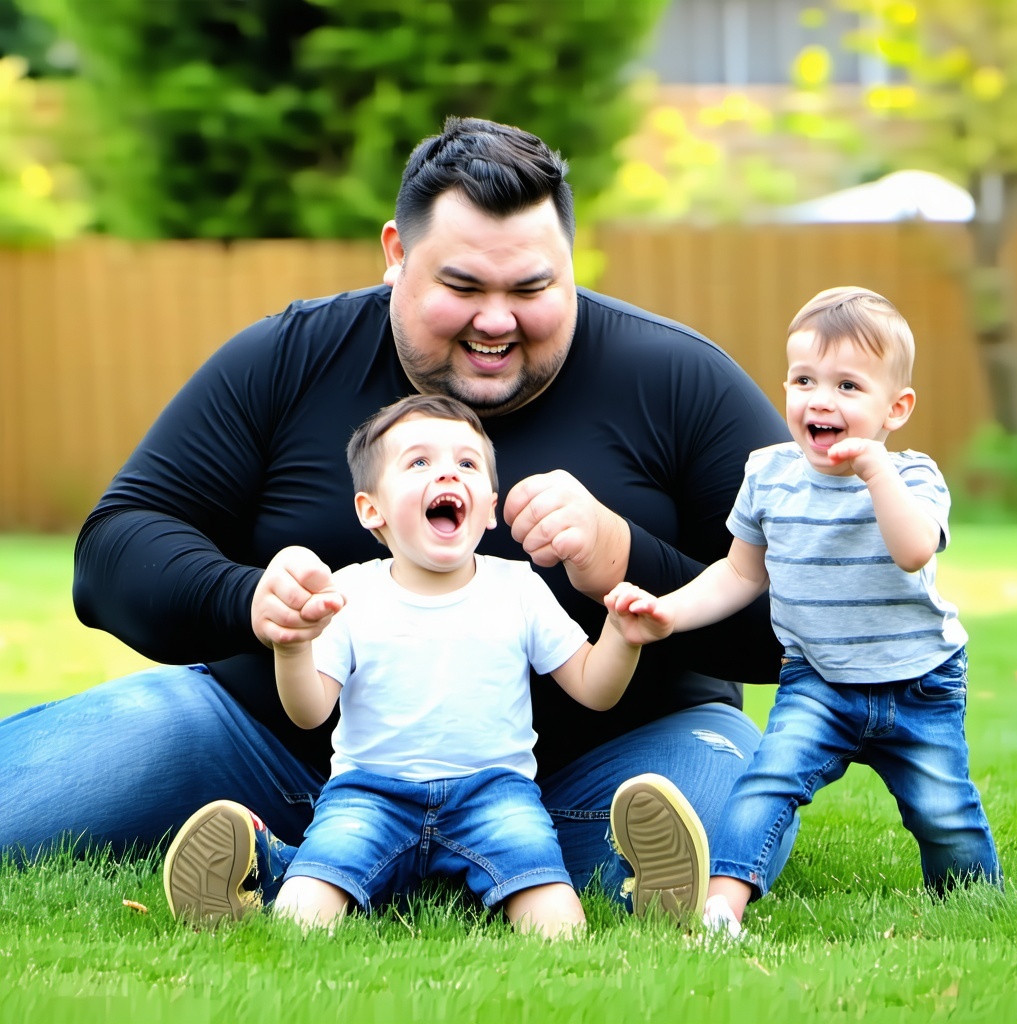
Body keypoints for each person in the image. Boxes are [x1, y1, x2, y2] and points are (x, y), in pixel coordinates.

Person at [1, 116, 795, 923]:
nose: (497, 320)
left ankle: (297, 871)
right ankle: (402, 863)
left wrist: (627, 559)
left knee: (725, 788)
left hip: (605, 766)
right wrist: (250, 601)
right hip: (274, 752)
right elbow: (115, 549)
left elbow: (805, 619)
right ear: (395, 255)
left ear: (569, 264)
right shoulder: (290, 357)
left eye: (532, 288)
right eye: (462, 288)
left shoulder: (677, 379)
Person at [169, 394, 650, 937]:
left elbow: (594, 687)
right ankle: (267, 872)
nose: (447, 471)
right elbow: (309, 712)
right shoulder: (348, 591)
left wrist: (622, 638)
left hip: (495, 795)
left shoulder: (518, 589)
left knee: (559, 930)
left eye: (466, 463)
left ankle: (624, 878)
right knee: (301, 922)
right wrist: (292, 646)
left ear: (489, 507)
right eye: (419, 462)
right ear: (371, 509)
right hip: (370, 794)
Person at [607, 286, 1003, 937]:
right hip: (816, 680)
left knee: (943, 811)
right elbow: (740, 572)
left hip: (918, 682)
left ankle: (973, 903)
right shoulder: (769, 473)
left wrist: (877, 475)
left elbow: (912, 551)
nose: (821, 399)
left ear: (894, 409)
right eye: (804, 380)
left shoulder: (914, 476)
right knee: (767, 785)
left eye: (849, 386)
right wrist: (668, 612)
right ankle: (720, 908)